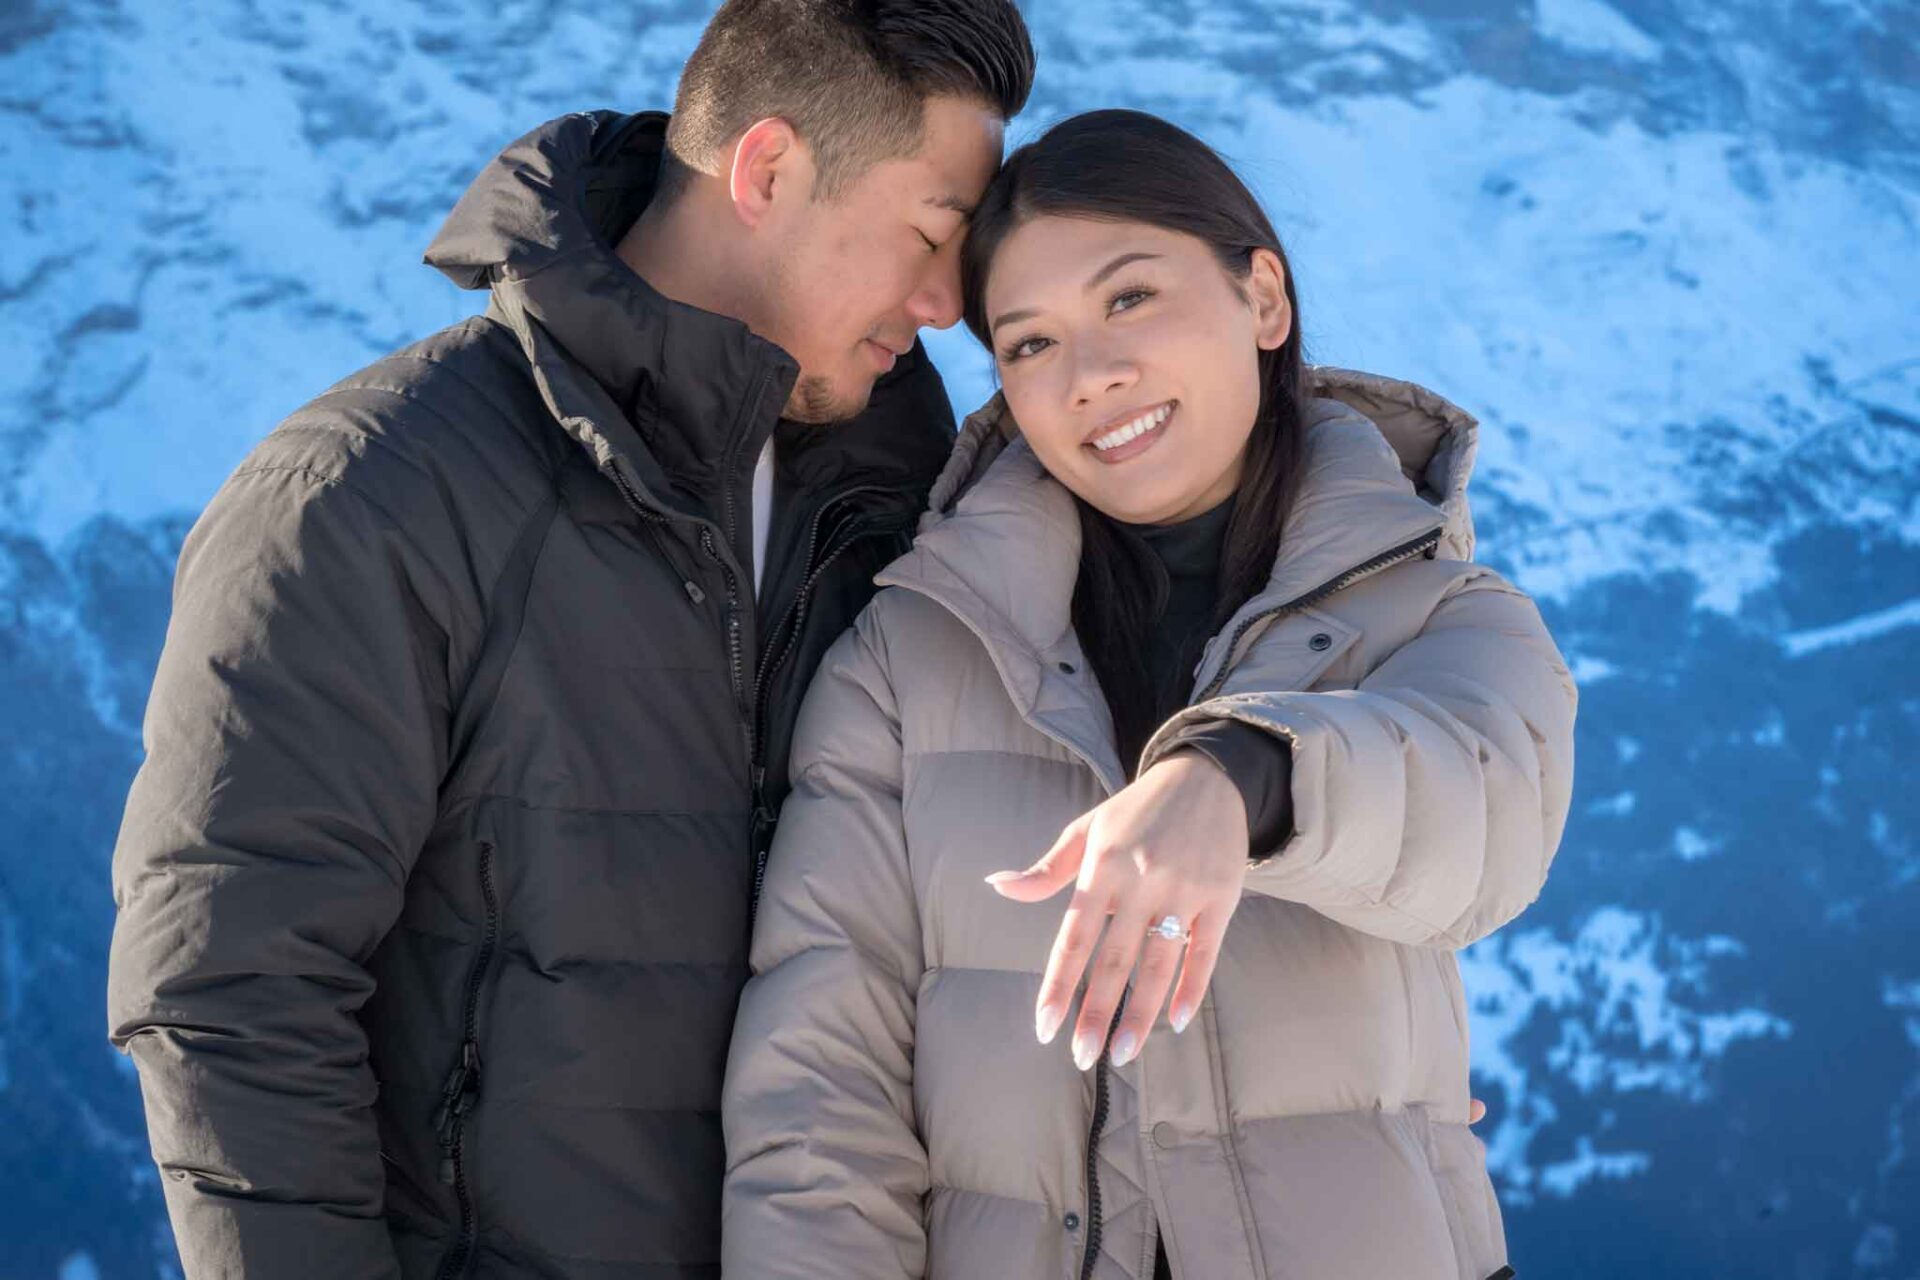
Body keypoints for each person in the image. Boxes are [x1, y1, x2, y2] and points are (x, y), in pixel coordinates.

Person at [105, 3, 1036, 1276]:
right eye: (928, 237)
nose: (945, 303)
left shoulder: (914, 504)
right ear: (767, 170)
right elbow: (233, 987)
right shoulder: (376, 496)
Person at [722, 110, 1577, 1280]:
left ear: (1263, 299)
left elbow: (1487, 813)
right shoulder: (906, 661)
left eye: (1130, 298)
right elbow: (822, 1094)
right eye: (1030, 343)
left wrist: (1241, 779)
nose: (1091, 376)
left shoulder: (1441, 611)